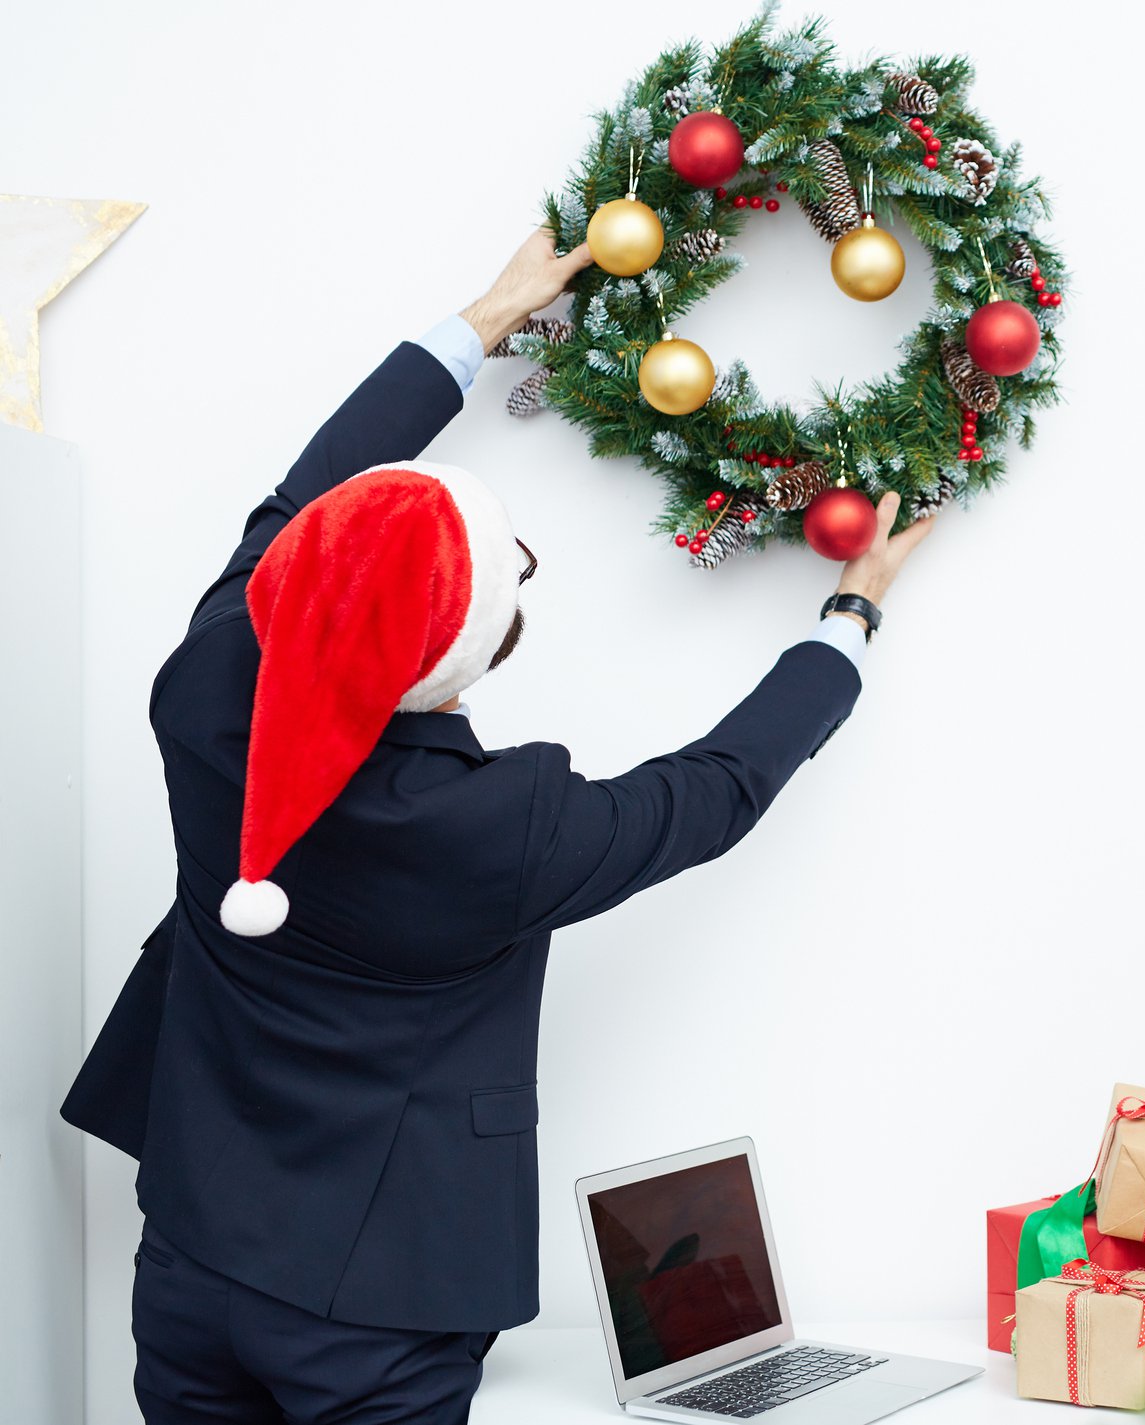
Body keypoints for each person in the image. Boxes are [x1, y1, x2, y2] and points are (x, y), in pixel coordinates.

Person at [60, 229, 933, 1424]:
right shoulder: (498, 825)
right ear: (476, 652)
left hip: (189, 1260)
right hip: (379, 1305)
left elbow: (297, 499)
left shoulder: (205, 686)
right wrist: (850, 613)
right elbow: (717, 789)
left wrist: (479, 319)